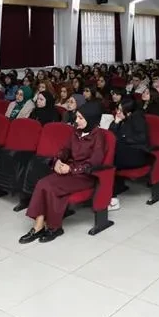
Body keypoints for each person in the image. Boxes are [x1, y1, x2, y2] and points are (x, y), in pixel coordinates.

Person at [20, 101, 106, 244]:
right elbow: (65, 149)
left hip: (85, 176)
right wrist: (58, 161)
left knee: (49, 186)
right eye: (77, 117)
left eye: (80, 118)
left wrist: (71, 169)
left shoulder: (99, 136)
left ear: (90, 119)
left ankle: (49, 227)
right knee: (43, 183)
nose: (76, 120)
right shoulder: (77, 131)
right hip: (70, 171)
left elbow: (94, 163)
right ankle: (41, 226)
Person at [108, 97, 152, 210]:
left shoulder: (137, 118)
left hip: (138, 153)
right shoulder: (121, 119)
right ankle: (110, 191)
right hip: (125, 151)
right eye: (117, 109)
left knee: (110, 157)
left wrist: (124, 138)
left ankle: (111, 197)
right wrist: (115, 122)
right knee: (109, 155)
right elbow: (110, 136)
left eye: (120, 110)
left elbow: (141, 138)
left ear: (128, 112)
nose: (117, 112)